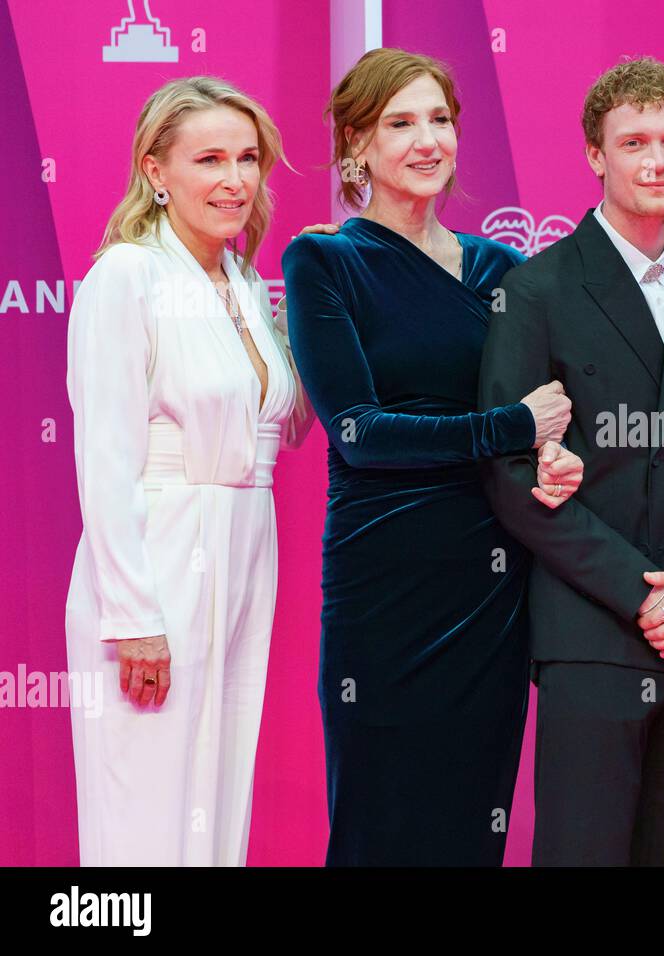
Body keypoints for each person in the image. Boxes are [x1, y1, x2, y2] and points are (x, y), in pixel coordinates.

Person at [280, 48, 583, 866]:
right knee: (380, 825)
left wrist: (551, 452)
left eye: (439, 119)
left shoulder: (500, 267)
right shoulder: (323, 261)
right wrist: (510, 429)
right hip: (385, 587)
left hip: (490, 588)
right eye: (399, 123)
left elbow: (575, 373)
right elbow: (359, 433)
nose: (426, 140)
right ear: (357, 145)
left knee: (469, 824)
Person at [479, 56, 664, 866]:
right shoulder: (534, 291)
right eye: (634, 141)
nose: (656, 159)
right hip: (593, 638)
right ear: (594, 154)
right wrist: (642, 594)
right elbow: (509, 472)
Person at [65, 76, 315, 866]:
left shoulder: (244, 283)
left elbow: (294, 423)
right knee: (144, 808)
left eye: (249, 159)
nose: (235, 180)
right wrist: (134, 615)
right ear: (155, 171)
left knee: (216, 794)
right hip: (159, 556)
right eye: (209, 158)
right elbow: (105, 458)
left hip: (245, 550)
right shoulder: (127, 277)